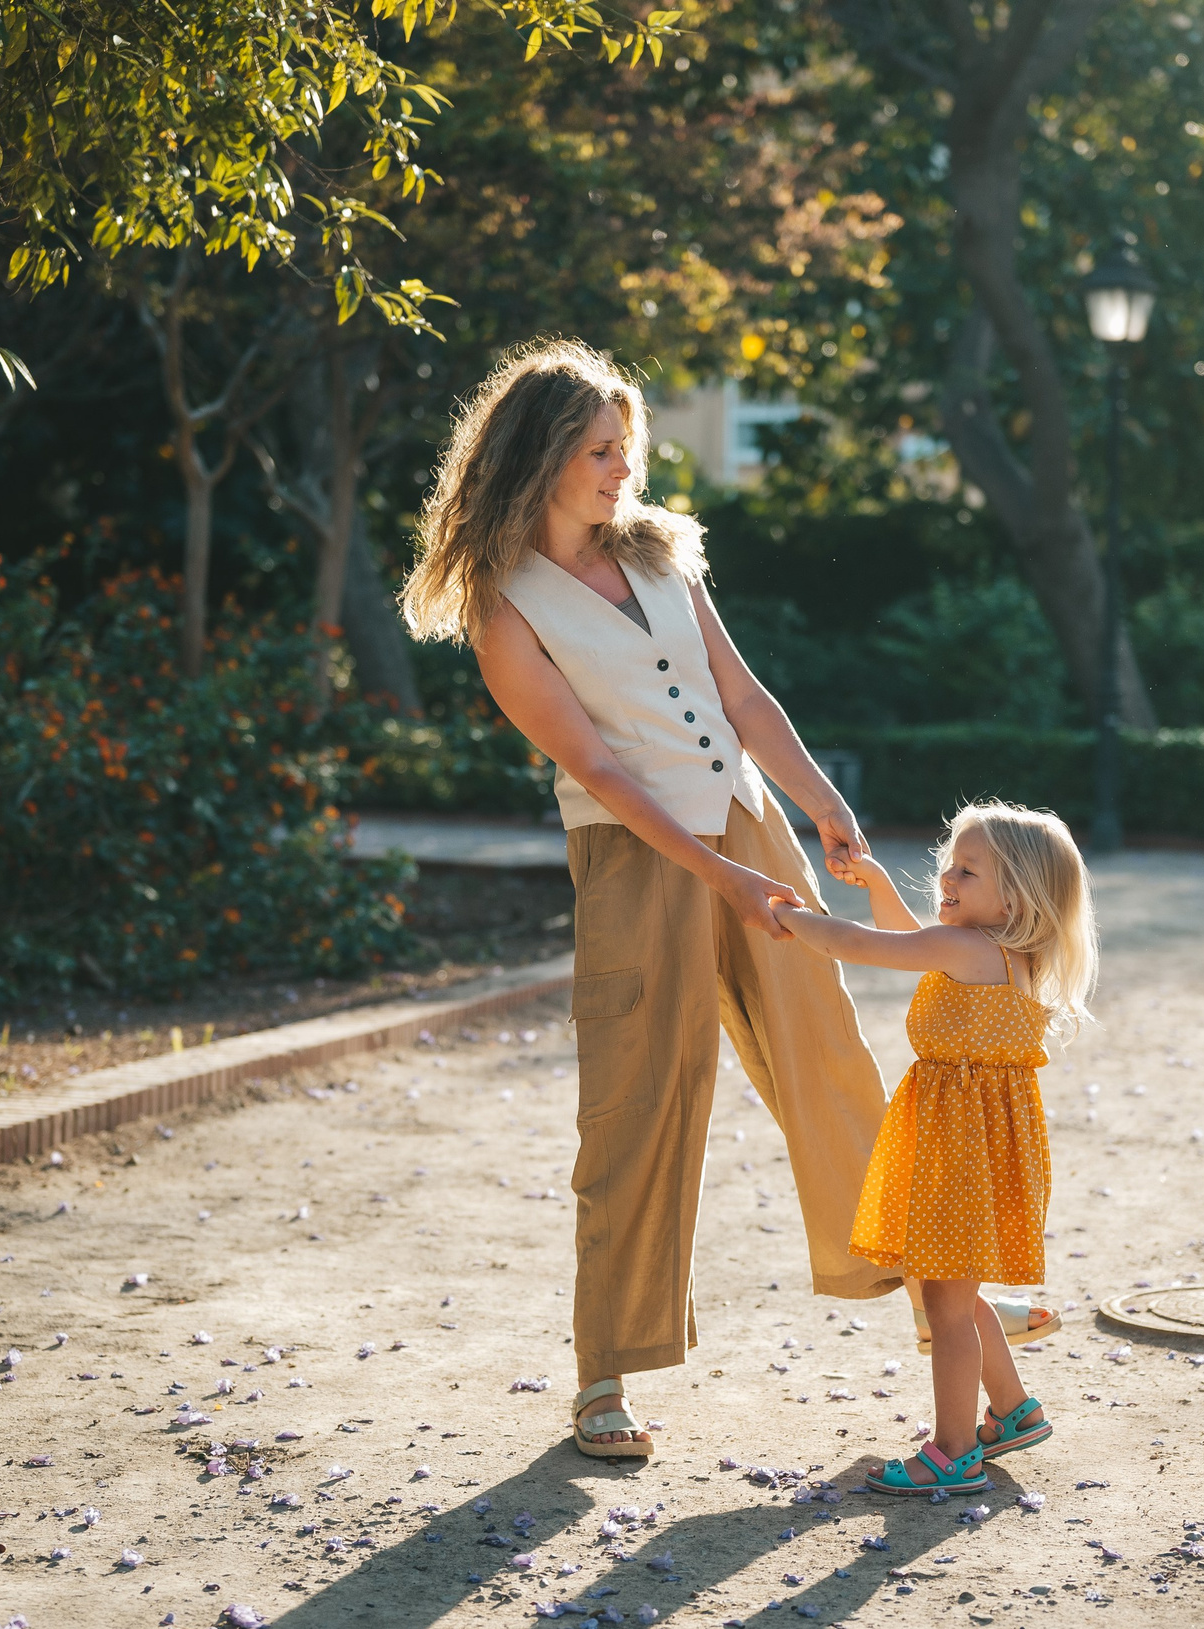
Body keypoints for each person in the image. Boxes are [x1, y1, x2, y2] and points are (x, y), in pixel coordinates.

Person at [398, 340, 1053, 1460]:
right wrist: (719, 875)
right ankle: (604, 1377)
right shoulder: (504, 610)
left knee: (829, 1061)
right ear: (545, 455)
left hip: (747, 828)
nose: (621, 470)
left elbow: (743, 699)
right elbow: (601, 773)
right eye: (601, 452)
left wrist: (820, 803)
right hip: (635, 859)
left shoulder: (662, 553)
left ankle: (946, 1307)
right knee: (637, 1107)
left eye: (625, 449)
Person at [768, 802, 1097, 1495]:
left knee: (946, 1307)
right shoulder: (1006, 952)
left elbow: (870, 947)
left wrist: (791, 919)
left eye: (968, 870)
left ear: (1018, 894)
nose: (948, 877)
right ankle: (1012, 1411)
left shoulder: (966, 951)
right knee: (957, 1288)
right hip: (983, 1148)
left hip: (958, 1149)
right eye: (949, 862)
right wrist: (879, 881)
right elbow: (907, 936)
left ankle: (953, 1452)